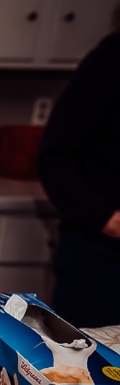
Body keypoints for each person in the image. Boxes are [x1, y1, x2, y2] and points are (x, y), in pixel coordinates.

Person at [36, 25, 120, 329]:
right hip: (102, 258)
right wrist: (105, 219)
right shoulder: (112, 60)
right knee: (85, 361)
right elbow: (54, 157)